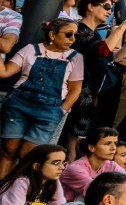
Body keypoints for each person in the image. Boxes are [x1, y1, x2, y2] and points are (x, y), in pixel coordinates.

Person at [0, 14, 84, 172]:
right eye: (68, 34)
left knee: (29, 155)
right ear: (52, 34)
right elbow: (5, 72)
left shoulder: (75, 57)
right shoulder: (31, 49)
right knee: (8, 150)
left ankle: (17, 192)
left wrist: (61, 110)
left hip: (49, 110)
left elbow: (75, 89)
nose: (72, 39)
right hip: (19, 104)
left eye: (75, 35)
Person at [0, 143, 65, 205]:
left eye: (63, 163)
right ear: (37, 166)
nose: (62, 167)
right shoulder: (20, 183)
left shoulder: (54, 183)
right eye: (56, 163)